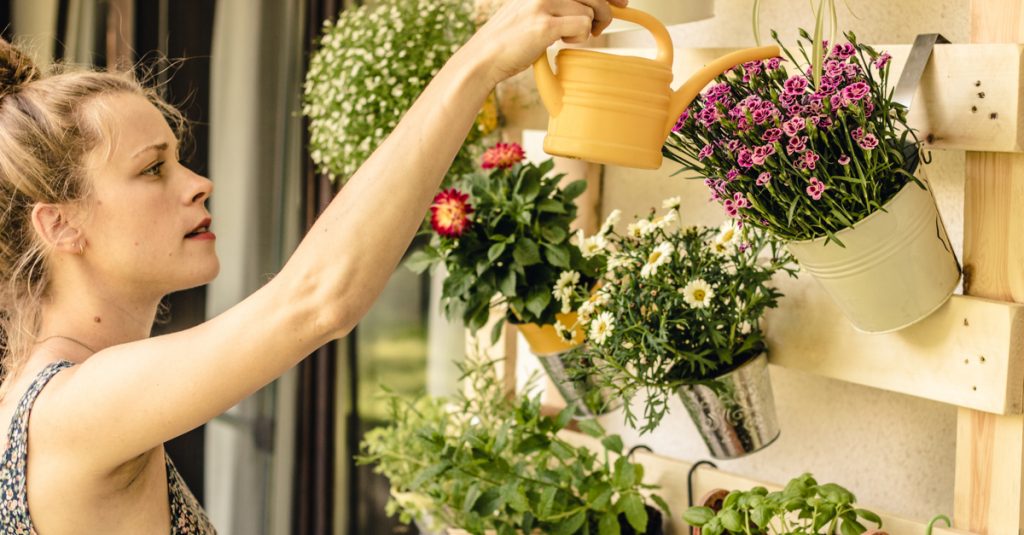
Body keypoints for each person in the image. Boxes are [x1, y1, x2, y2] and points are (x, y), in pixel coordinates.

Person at [0, 0, 628, 533]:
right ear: (61, 225)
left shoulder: (52, 391)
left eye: (178, 157)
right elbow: (318, 299)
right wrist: (480, 60)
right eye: (153, 168)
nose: (198, 183)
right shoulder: (71, 409)